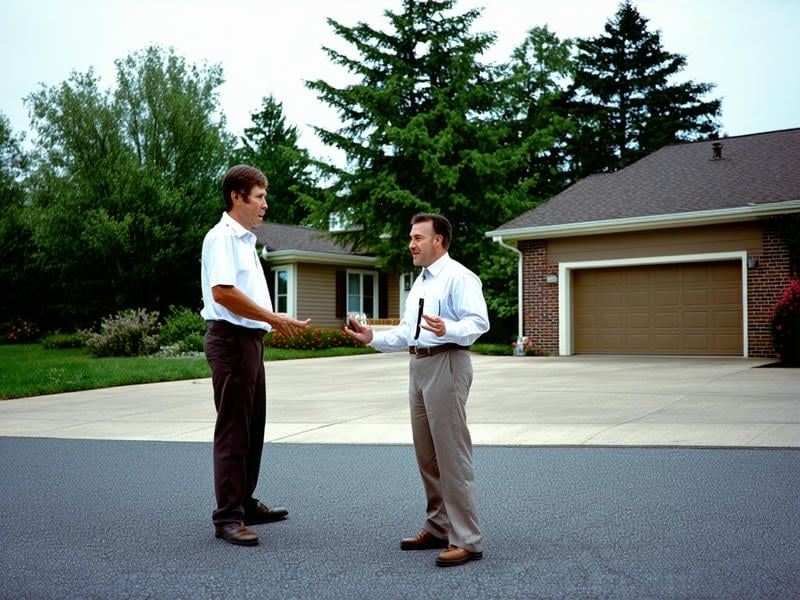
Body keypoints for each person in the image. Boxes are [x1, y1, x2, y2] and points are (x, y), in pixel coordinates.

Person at [344, 212, 489, 567]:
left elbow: (479, 323)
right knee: (427, 456)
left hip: (447, 364)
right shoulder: (420, 282)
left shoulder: (459, 277)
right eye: (411, 237)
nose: (411, 243)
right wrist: (372, 337)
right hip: (418, 366)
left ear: (438, 240)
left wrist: (448, 329)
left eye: (418, 238)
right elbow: (408, 332)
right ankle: (439, 526)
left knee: (452, 456)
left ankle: (467, 539)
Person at [200, 164, 310, 546]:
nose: (266, 204)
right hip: (230, 341)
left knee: (253, 427)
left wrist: (265, 324)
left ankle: (243, 503)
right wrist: (271, 317)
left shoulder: (245, 240)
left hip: (248, 342)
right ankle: (227, 518)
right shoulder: (222, 239)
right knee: (233, 431)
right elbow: (223, 293)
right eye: (260, 196)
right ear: (237, 197)